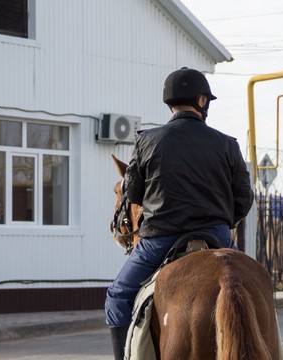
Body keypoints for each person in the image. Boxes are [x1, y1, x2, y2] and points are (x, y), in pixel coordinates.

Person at [105, 67, 253, 360]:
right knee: (251, 287)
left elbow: (132, 193)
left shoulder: (147, 140)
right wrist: (225, 221)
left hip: (160, 239)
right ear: (201, 100)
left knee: (117, 296)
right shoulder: (227, 143)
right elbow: (244, 199)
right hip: (217, 236)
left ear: (169, 102)